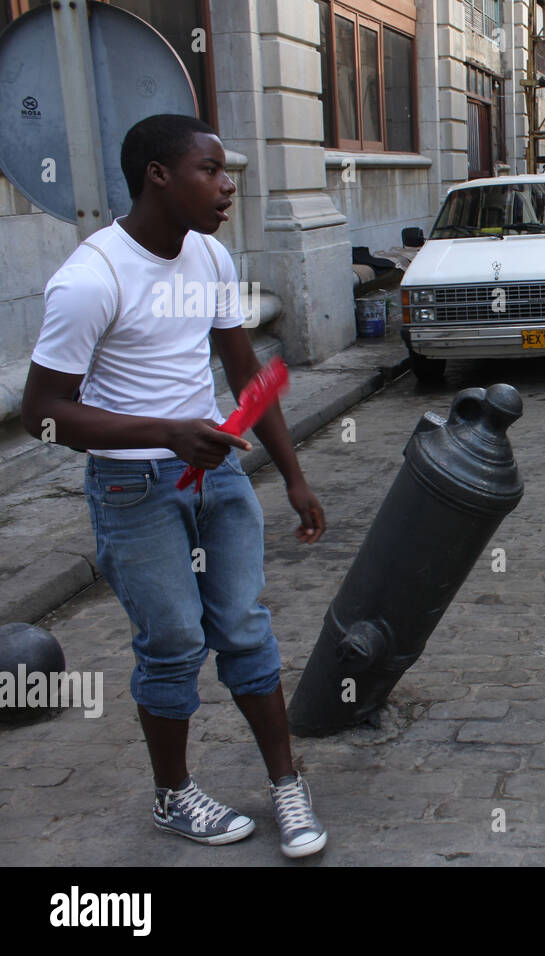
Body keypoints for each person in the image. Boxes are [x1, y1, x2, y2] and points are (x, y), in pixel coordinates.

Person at [20, 114, 329, 858]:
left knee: (246, 629)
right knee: (171, 644)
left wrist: (292, 475)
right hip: (133, 492)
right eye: (210, 170)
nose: (227, 186)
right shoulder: (91, 278)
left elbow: (245, 372)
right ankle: (173, 796)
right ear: (157, 174)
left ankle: (287, 785)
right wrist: (164, 432)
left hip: (215, 474)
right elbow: (42, 417)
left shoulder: (211, 258)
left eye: (227, 173)